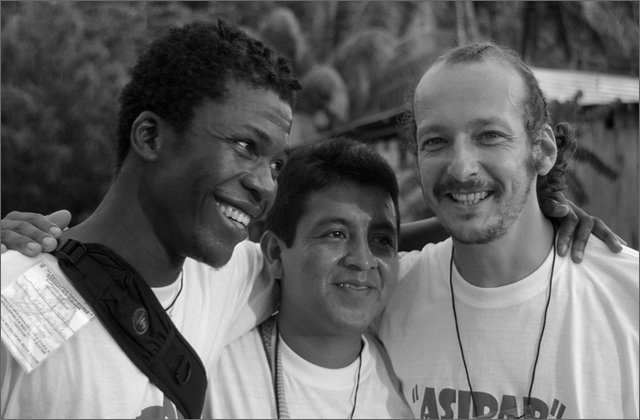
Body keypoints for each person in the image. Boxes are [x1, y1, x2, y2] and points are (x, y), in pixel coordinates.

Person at [1, 19, 300, 419]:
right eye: (246, 146)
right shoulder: (20, 295)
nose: (266, 185)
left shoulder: (224, 280)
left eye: (277, 165)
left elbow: (355, 258)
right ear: (150, 137)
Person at [377, 42, 639, 419]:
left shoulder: (628, 301)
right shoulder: (386, 298)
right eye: (435, 141)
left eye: (489, 135)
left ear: (543, 150)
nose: (461, 168)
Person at [205, 137, 413, 418]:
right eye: (336, 234)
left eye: (382, 240)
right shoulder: (211, 370)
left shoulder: (409, 388)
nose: (363, 260)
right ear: (276, 254)